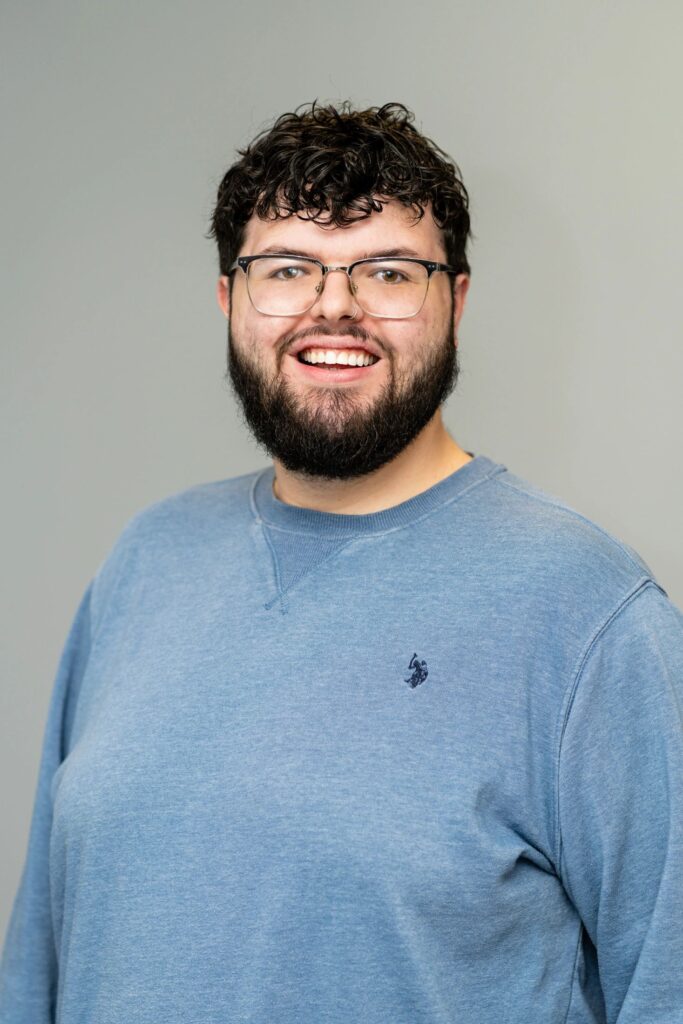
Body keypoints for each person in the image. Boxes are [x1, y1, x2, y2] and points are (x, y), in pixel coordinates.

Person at [1, 101, 682, 1024]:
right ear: (228, 299)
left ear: (457, 299)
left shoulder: (589, 612)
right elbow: (36, 966)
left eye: (388, 271)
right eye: (287, 268)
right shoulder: (146, 561)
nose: (334, 308)